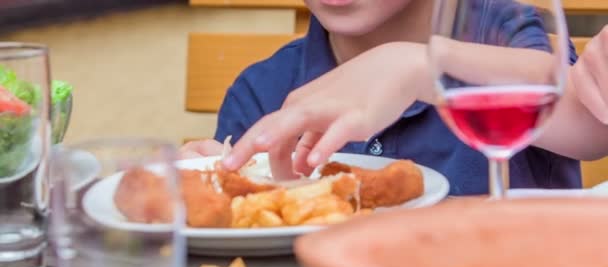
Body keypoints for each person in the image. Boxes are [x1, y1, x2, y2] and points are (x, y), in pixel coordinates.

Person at [181, 0, 604, 195]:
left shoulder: (499, 30)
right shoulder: (262, 91)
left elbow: (589, 126)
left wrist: (422, 67)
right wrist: (209, 181)